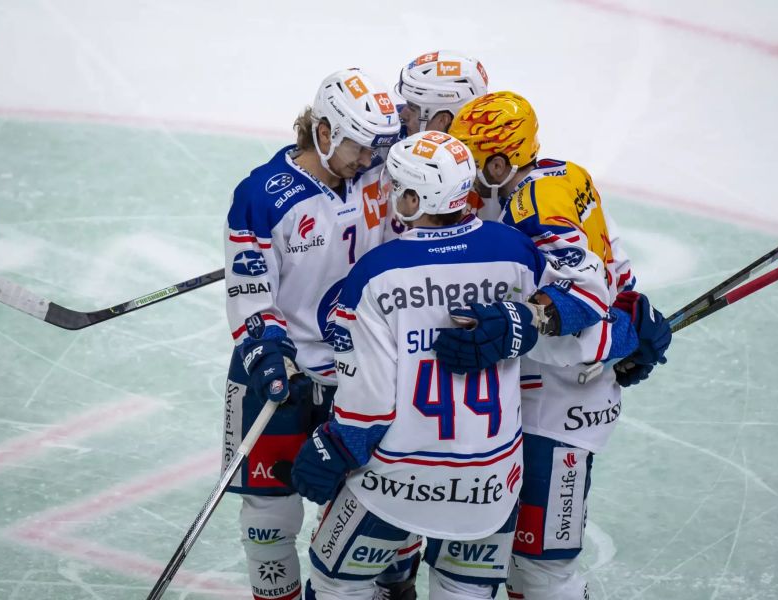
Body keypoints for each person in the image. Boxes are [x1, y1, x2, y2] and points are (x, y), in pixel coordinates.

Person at [285, 131, 549, 599]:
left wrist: (332, 447)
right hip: (490, 486)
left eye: (395, 186)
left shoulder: (378, 271)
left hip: (398, 482)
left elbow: (367, 403)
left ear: (414, 197)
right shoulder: (517, 252)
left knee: (334, 584)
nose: (387, 194)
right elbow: (576, 305)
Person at [434, 92, 672, 599]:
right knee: (496, 561)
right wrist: (632, 317)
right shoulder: (570, 175)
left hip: (558, 409)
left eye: (472, 163)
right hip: (535, 404)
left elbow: (579, 309)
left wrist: (618, 336)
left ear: (500, 162)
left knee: (541, 568)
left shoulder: (530, 209)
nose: (464, 179)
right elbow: (618, 274)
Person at [222, 67, 401, 600]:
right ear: (322, 133)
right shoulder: (261, 196)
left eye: (377, 148)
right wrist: (268, 355)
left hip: (361, 377)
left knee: (378, 507)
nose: (368, 160)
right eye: (358, 146)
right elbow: (252, 297)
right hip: (287, 372)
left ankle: (396, 591)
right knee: (268, 516)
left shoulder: (382, 174)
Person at [393, 50, 494, 223]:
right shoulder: (388, 134)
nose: (402, 114)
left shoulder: (491, 165)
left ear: (443, 120)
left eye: (412, 107)